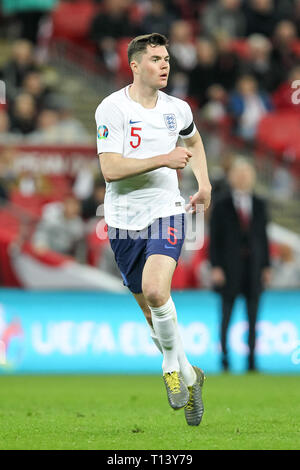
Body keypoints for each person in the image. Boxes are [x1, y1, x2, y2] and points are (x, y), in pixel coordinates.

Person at [95, 33, 211, 426]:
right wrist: (164, 158)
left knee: (159, 290)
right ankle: (191, 373)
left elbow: (194, 139)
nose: (165, 65)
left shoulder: (177, 108)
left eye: (167, 58)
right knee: (151, 312)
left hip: (166, 210)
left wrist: (204, 182)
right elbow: (110, 169)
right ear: (134, 65)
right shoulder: (111, 108)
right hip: (123, 220)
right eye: (156, 59)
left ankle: (169, 369)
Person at [209, 158, 271, 372]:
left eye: (247, 173)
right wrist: (215, 266)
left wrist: (266, 266)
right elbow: (214, 239)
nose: (243, 177)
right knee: (226, 315)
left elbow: (263, 238)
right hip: (228, 269)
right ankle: (224, 359)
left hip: (253, 269)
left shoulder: (260, 204)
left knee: (253, 318)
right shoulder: (221, 204)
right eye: (239, 173)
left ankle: (252, 362)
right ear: (232, 177)